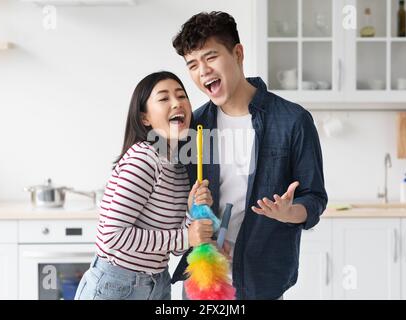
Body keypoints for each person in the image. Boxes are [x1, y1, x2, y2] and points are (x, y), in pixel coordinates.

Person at [171, 12, 328, 300]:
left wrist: (290, 213)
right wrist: (192, 212)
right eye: (192, 64)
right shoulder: (193, 128)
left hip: (262, 281)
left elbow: (315, 198)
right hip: (203, 281)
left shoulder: (293, 121)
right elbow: (177, 206)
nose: (202, 70)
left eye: (211, 57)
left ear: (238, 53)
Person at [74, 71, 214, 300]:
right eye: (164, 98)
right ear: (145, 118)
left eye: (181, 96)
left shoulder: (178, 167)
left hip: (157, 282)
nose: (177, 103)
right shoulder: (143, 158)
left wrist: (191, 211)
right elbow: (113, 235)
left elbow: (177, 248)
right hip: (116, 285)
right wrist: (187, 236)